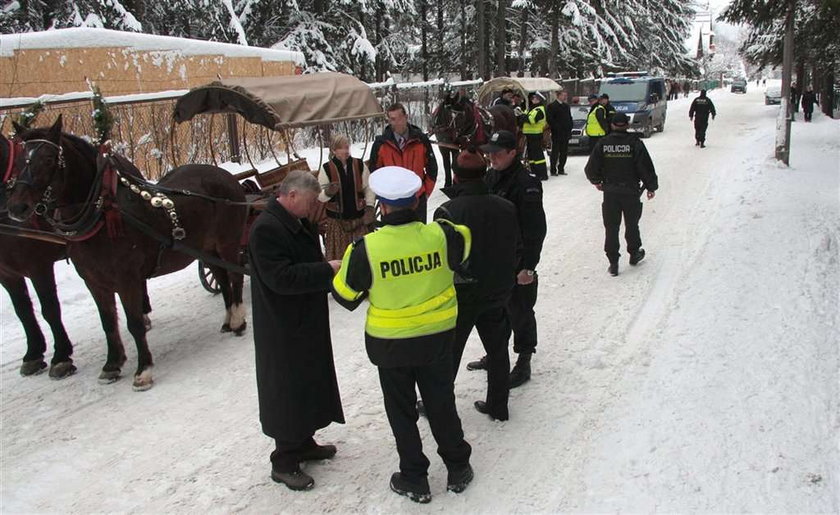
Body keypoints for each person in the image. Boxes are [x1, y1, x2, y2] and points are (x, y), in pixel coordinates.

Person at [331, 166, 474, 504]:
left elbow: (345, 296)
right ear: (416, 200)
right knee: (441, 402)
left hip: (390, 346)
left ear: (381, 204)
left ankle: (414, 476)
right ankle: (458, 467)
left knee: (401, 410)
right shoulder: (442, 235)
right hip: (437, 339)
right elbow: (465, 243)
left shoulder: (366, 248)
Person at [248, 170, 345, 491]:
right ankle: (284, 461)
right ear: (290, 196)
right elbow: (281, 278)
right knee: (287, 390)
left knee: (308, 381)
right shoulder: (266, 229)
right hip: (283, 326)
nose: (312, 207)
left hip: (303, 320)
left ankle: (304, 442)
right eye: (307, 202)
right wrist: (325, 270)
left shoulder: (293, 220)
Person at [435, 149, 520, 421]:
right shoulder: (506, 207)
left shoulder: (447, 211)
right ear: (484, 174)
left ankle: (440, 406)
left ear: (457, 178)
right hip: (497, 290)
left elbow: (441, 257)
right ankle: (499, 405)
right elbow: (516, 247)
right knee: (497, 350)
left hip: (461, 293)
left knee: (448, 354)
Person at [466, 130, 546, 389]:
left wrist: (529, 267)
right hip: (494, 260)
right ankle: (496, 354)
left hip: (518, 260)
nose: (491, 157)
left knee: (521, 310)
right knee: (495, 311)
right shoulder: (491, 176)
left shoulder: (526, 183)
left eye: (497, 153)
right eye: (489, 152)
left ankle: (524, 359)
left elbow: (535, 229)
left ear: (513, 152)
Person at [584, 113, 659, 277]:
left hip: (610, 192)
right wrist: (651, 187)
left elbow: (590, 168)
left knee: (611, 227)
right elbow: (645, 167)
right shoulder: (635, 143)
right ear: (627, 125)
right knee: (632, 224)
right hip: (631, 192)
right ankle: (634, 253)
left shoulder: (603, 144)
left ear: (611, 125)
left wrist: (597, 181)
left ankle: (613, 262)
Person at [369, 103, 438, 222]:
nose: (396, 122)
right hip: (390, 203)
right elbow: (374, 173)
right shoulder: (381, 144)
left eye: (399, 118)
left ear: (406, 117)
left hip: (416, 200)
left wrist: (425, 192)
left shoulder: (420, 140)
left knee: (417, 237)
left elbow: (432, 168)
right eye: (392, 119)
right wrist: (382, 197)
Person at [317, 134, 376, 260]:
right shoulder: (326, 168)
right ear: (334, 150)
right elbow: (320, 196)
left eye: (347, 147)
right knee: (341, 259)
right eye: (341, 148)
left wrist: (370, 207)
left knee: (362, 257)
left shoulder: (359, 165)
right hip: (338, 224)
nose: (346, 151)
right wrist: (328, 192)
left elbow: (368, 187)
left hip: (359, 221)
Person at [521, 91, 549, 181]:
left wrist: (523, 116)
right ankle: (534, 172)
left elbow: (532, 120)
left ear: (539, 100)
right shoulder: (532, 109)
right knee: (531, 156)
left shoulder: (539, 110)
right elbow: (524, 117)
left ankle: (542, 174)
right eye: (532, 98)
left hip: (536, 135)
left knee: (538, 156)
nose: (533, 100)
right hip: (529, 135)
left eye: (535, 98)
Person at [546, 89, 573, 176]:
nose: (565, 97)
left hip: (566, 132)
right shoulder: (552, 106)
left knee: (564, 152)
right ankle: (553, 169)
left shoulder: (566, 106)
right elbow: (550, 119)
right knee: (555, 151)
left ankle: (561, 168)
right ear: (558, 96)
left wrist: (570, 127)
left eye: (566, 95)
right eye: (563, 95)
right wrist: (556, 127)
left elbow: (569, 118)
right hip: (557, 133)